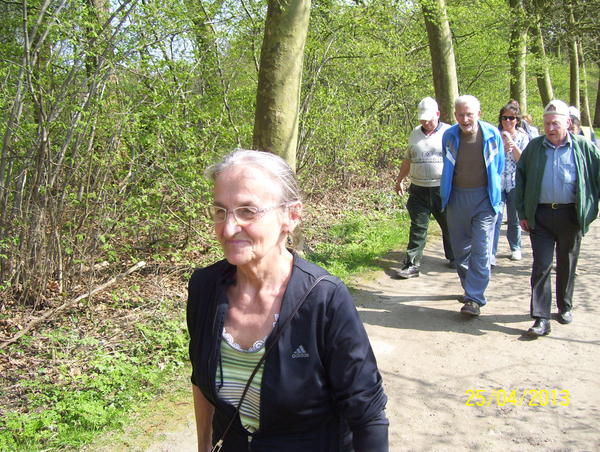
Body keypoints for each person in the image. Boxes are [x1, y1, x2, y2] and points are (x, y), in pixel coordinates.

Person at [187, 149, 389, 451]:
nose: (228, 229)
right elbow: (200, 381)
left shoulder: (325, 300)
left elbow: (368, 416)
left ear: (291, 216)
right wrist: (204, 447)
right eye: (220, 211)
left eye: (247, 211)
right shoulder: (205, 288)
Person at [516, 100, 600, 337]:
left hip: (571, 215)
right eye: (546, 123)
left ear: (568, 123)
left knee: (567, 263)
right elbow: (520, 179)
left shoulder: (583, 147)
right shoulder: (534, 147)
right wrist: (522, 212)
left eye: (555, 123)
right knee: (541, 265)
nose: (550, 128)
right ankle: (541, 317)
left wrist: (595, 204)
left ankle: (564, 306)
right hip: (541, 215)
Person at [440, 95, 505, 316]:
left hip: (484, 199)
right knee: (460, 250)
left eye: (469, 114)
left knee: (481, 249)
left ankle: (475, 298)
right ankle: (471, 288)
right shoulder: (449, 136)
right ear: (455, 115)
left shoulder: (492, 135)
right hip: (457, 198)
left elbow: (499, 165)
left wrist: (494, 193)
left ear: (478, 113)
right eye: (461, 114)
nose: (465, 118)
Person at [394, 97, 455, 278]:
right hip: (419, 188)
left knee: (449, 224)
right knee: (418, 227)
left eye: (429, 118)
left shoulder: (450, 132)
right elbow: (408, 158)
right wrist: (400, 180)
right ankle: (412, 263)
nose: (426, 122)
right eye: (422, 119)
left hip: (441, 188)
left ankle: (455, 257)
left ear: (438, 114)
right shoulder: (415, 133)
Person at [492, 102, 530, 264]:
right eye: (504, 118)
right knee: (496, 217)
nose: (508, 121)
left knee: (514, 218)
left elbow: (522, 161)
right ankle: (491, 252)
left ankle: (515, 247)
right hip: (498, 183)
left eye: (511, 118)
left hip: (515, 183)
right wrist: (501, 142)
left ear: (517, 120)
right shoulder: (494, 135)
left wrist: (512, 144)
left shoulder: (523, 137)